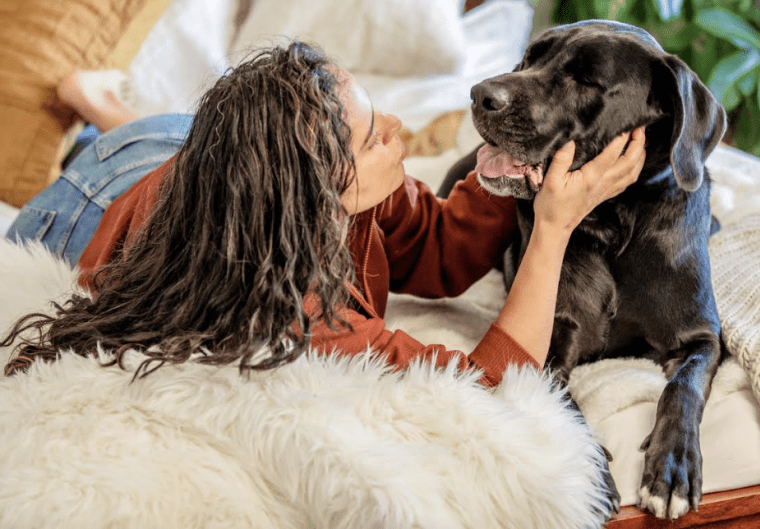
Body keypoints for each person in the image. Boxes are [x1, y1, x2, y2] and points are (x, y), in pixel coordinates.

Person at [2, 41, 646, 384]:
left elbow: (444, 249)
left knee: (193, 139)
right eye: (372, 139)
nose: (396, 127)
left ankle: (106, 106)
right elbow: (489, 384)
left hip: (190, 146)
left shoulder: (302, 166)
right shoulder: (295, 307)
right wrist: (553, 227)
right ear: (314, 196)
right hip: (96, 194)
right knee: (137, 154)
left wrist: (506, 160)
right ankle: (99, 113)